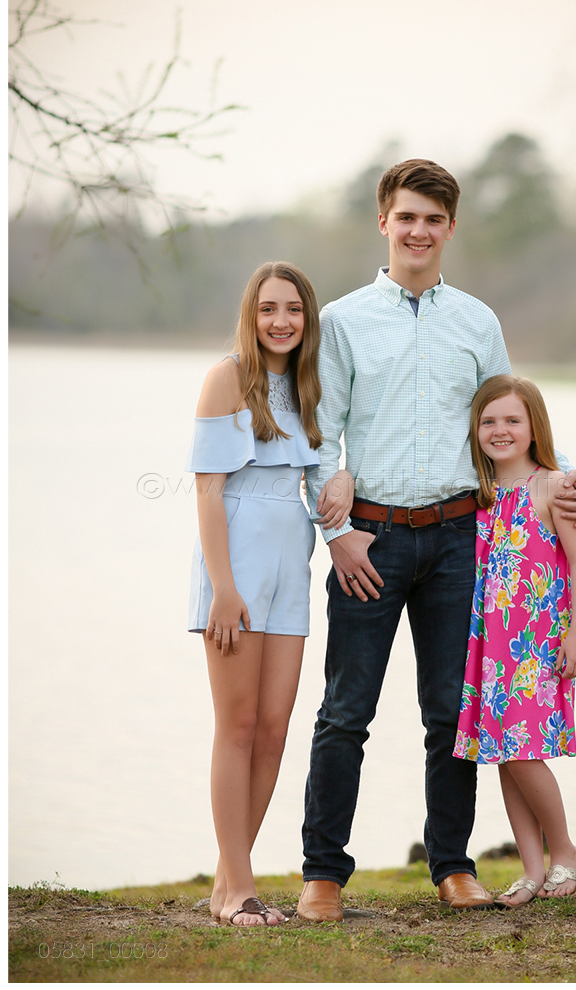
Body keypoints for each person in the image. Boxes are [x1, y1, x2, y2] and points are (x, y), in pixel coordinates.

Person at [297, 159, 576, 922]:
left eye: (433, 219)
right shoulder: (344, 321)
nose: (419, 231)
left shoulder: (477, 321)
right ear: (384, 222)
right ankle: (323, 875)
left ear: (450, 228)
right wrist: (338, 535)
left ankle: (453, 867)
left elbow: (509, 420)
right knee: (345, 712)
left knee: (450, 716)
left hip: (463, 541)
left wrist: (563, 481)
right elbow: (320, 436)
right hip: (370, 541)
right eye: (407, 217)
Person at [186, 261, 354, 927]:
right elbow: (208, 491)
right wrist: (223, 589)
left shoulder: (309, 385)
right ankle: (240, 889)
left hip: (293, 563)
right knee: (238, 725)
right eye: (268, 309)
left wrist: (345, 485)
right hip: (237, 566)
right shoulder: (228, 378)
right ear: (250, 317)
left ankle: (228, 882)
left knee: (275, 729)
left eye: (293, 309)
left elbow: (320, 473)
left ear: (308, 318)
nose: (281, 321)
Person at [454, 375, 576, 905]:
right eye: (488, 421)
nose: (500, 430)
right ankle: (532, 869)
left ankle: (565, 852)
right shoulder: (480, 493)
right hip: (490, 647)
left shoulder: (555, 486)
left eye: (513, 420)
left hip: (536, 642)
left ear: (535, 427)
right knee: (504, 754)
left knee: (523, 752)